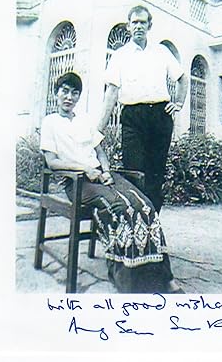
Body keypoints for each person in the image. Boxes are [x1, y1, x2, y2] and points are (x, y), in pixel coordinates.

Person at [40, 72, 184, 294]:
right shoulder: (50, 123)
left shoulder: (84, 120)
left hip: (100, 175)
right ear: (56, 93)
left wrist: (105, 171)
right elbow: (53, 162)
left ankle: (164, 276)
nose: (69, 97)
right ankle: (129, 278)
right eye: (65, 92)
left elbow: (100, 151)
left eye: (74, 93)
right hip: (77, 182)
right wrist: (85, 169)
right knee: (120, 208)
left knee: (144, 204)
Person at [98, 5, 188, 213]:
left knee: (156, 174)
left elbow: (182, 78)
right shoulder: (120, 55)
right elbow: (111, 93)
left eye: (143, 22)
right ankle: (136, 228)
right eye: (134, 22)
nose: (138, 26)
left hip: (160, 116)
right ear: (128, 26)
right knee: (134, 172)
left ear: (149, 25)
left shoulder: (161, 51)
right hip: (133, 117)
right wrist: (98, 131)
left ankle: (152, 231)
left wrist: (179, 103)